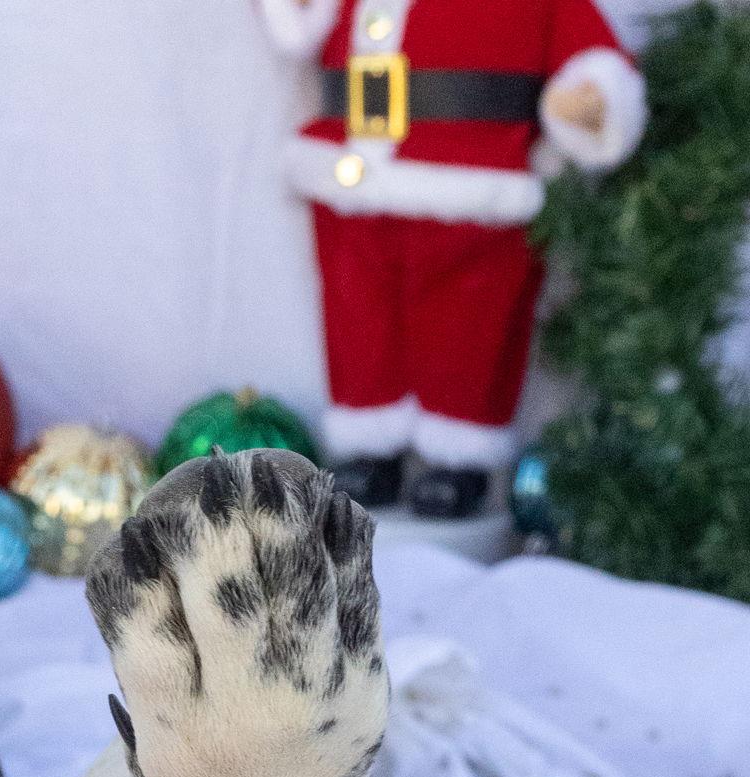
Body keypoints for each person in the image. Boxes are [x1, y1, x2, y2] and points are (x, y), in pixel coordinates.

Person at [260, 0, 646, 517]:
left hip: (480, 184)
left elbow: (592, 52)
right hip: (352, 177)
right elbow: (297, 28)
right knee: (358, 316)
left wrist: (594, 97)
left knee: (472, 325)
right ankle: (372, 450)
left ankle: (460, 460)